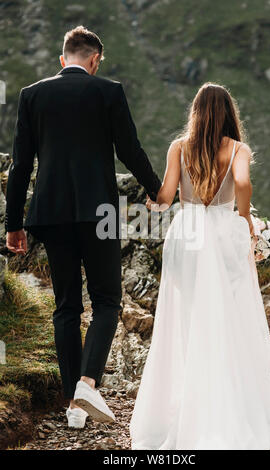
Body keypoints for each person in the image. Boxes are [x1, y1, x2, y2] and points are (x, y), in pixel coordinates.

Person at [5, 26, 161, 429]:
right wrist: (158, 190)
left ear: (63, 59)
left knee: (66, 307)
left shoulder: (31, 94)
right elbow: (130, 149)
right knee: (107, 300)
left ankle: (73, 403)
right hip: (100, 215)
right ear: (94, 60)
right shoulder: (108, 92)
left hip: (51, 215)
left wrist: (13, 224)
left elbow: (20, 164)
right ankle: (88, 383)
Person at [130, 82, 270, 450]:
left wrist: (151, 204)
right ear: (230, 112)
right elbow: (242, 182)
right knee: (227, 318)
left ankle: (186, 402)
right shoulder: (238, 149)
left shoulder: (179, 148)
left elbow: (165, 197)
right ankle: (221, 401)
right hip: (223, 232)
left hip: (188, 232)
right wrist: (244, 219)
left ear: (195, 112)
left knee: (187, 317)